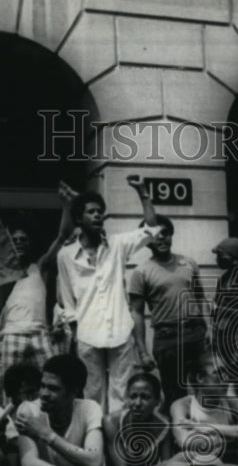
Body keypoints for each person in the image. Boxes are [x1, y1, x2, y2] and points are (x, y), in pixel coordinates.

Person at [55, 176, 161, 411]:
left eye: (100, 212)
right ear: (78, 219)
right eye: (91, 212)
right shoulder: (66, 255)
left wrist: (142, 192)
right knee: (91, 393)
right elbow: (67, 300)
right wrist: (74, 336)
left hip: (120, 331)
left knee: (121, 392)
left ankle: (117, 440)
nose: (98, 216)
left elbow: (151, 230)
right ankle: (95, 443)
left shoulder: (117, 245)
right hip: (87, 334)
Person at [0, 195, 75, 406]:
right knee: (7, 387)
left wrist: (67, 205)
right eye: (14, 240)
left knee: (52, 380)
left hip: (39, 334)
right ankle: (6, 429)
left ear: (30, 242)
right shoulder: (1, 273)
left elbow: (62, 236)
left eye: (23, 240)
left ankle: (47, 423)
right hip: (11, 334)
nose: (18, 244)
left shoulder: (40, 267)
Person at [14, 354, 108, 466]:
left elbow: (94, 460)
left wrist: (46, 435)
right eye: (42, 386)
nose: (43, 394)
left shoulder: (89, 408)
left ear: (73, 391)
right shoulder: (28, 410)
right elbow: (29, 465)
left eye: (53, 388)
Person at [129, 214, 210, 409]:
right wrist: (142, 351)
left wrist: (211, 328)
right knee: (175, 396)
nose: (161, 238)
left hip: (196, 333)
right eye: (155, 235)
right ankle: (179, 437)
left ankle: (210, 433)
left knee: (208, 387)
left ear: (171, 235)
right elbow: (137, 313)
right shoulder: (141, 272)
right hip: (168, 339)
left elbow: (201, 298)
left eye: (165, 233)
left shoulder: (189, 263)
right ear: (146, 241)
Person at [103, 372, 172, 466]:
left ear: (157, 401)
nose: (138, 403)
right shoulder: (112, 422)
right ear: (126, 398)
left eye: (145, 397)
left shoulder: (163, 425)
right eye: (133, 396)